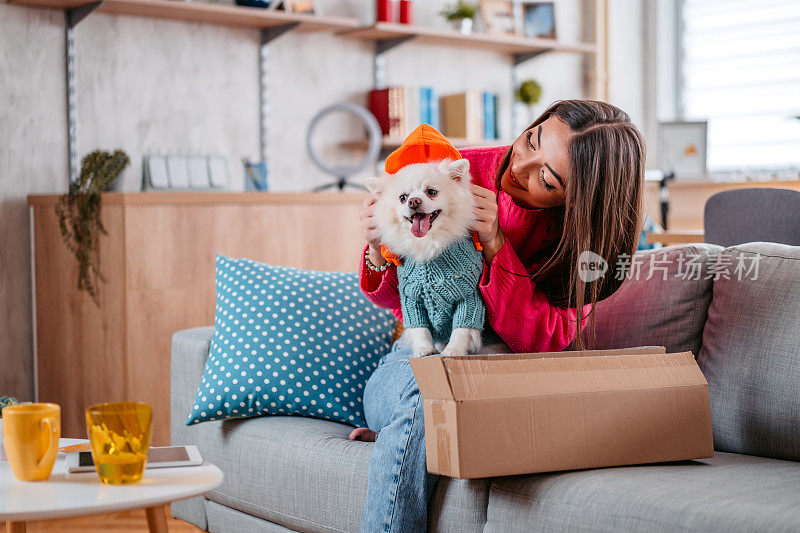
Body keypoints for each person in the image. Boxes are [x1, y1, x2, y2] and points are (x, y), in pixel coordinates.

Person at [354, 100, 645, 532]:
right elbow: (402, 299)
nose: (521, 166)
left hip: (497, 378)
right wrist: (380, 252)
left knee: (444, 397)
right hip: (417, 362)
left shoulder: (584, 246)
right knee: (428, 386)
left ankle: (411, 432)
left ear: (578, 202)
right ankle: (414, 426)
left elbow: (546, 341)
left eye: (545, 179)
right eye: (530, 139)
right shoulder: (455, 170)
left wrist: (496, 245)